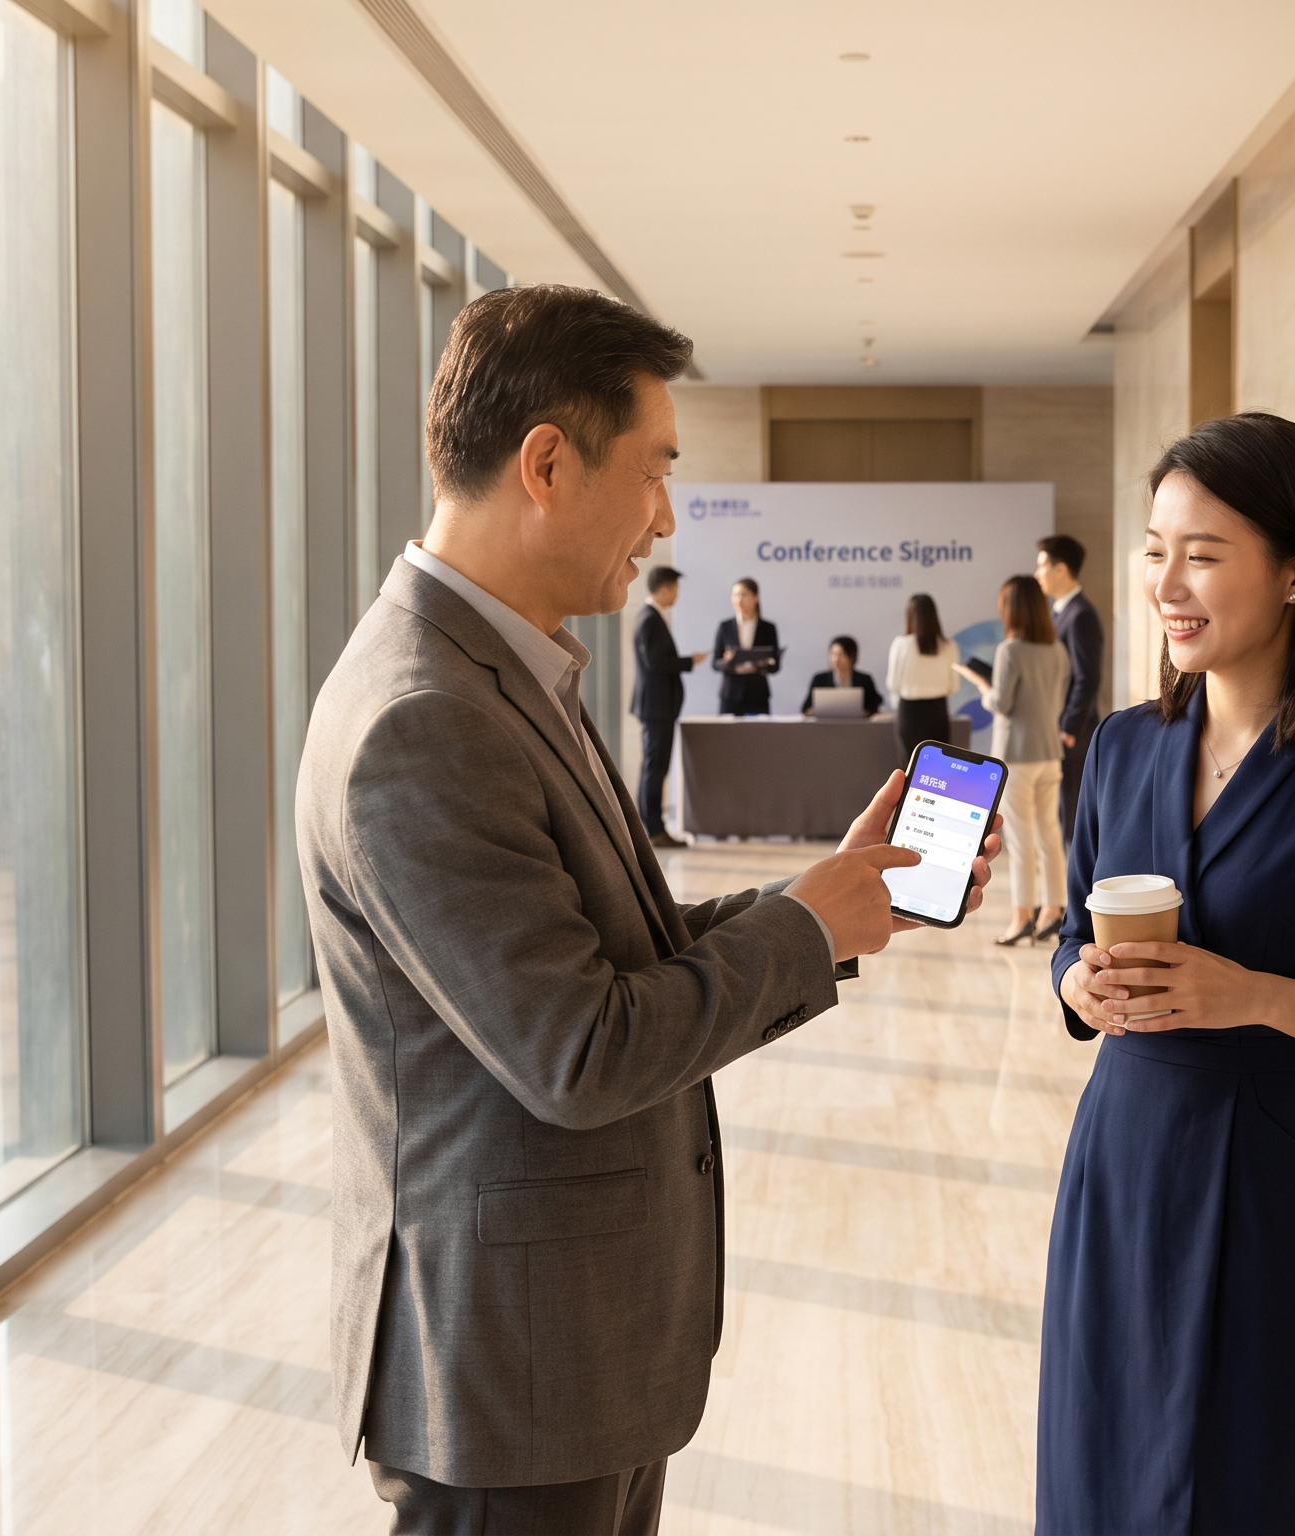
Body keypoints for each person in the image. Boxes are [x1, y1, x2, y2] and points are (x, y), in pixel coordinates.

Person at [297, 284, 998, 1536]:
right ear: (549, 465)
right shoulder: (423, 720)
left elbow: (621, 949)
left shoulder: (505, 674)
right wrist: (808, 929)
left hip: (564, 1365)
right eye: (655, 471)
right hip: (506, 1382)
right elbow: (578, 1050)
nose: (666, 517)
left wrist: (828, 895)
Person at [1042, 412, 1295, 1535]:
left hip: (1270, 1186)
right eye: (1156, 549)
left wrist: (1251, 995)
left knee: (1253, 1484)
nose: (1167, 581)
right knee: (1102, 1479)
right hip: (1119, 1167)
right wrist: (1074, 982)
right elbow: (1074, 935)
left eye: (1203, 554)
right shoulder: (1122, 745)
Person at [960, 576, 1069, 945]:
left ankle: (1022, 916)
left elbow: (1002, 705)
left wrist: (983, 688)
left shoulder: (1010, 650)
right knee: (1050, 837)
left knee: (1022, 841)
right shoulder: (1057, 649)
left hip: (1016, 757)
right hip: (1049, 753)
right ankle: (1054, 910)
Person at [629, 565, 705, 849]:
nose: (676, 595)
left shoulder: (652, 617)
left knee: (654, 766)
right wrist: (688, 662)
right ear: (663, 589)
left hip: (659, 707)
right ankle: (654, 830)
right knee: (654, 767)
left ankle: (652, 827)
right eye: (675, 589)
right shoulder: (649, 619)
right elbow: (655, 663)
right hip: (656, 707)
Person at [1034, 534, 1103, 838]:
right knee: (1063, 812)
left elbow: (1087, 676)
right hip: (1061, 728)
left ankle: (1074, 883)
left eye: (1042, 566)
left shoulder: (1080, 615)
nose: (1038, 575)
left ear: (1060, 569)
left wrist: (1070, 728)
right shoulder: (1061, 613)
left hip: (1074, 732)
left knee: (1073, 816)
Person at [884, 592, 958, 767]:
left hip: (909, 713)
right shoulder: (949, 646)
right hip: (938, 712)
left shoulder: (901, 644)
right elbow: (953, 686)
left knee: (910, 768)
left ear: (909, 616)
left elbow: (893, 684)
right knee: (938, 767)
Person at [709, 577, 779, 716]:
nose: (739, 599)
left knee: (758, 736)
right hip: (731, 694)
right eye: (735, 595)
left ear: (755, 598)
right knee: (728, 736)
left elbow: (776, 665)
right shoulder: (725, 627)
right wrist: (727, 661)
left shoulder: (768, 628)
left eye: (744, 594)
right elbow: (715, 663)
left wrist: (762, 664)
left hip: (757, 694)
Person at [798, 634, 884, 717]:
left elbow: (875, 704)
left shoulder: (864, 680)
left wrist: (866, 713)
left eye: (841, 655)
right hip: (827, 726)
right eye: (833, 654)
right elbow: (805, 708)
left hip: (857, 726)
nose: (836, 659)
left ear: (852, 657)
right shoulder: (820, 679)